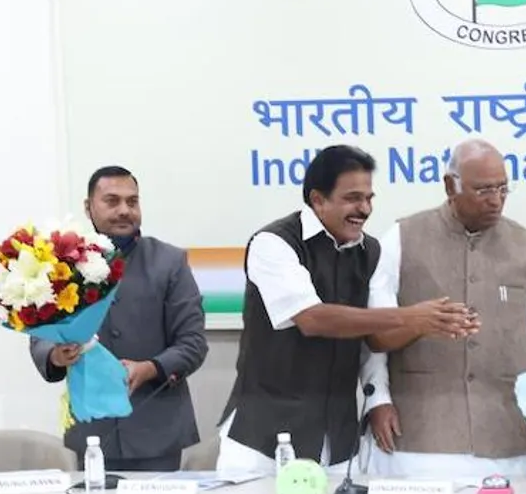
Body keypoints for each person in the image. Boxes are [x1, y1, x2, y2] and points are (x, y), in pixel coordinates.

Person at [217, 145, 474, 475]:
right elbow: (312, 318)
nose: (364, 209)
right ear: (318, 199)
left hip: (336, 443)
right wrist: (410, 316)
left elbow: (378, 339)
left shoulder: (370, 250)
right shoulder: (274, 243)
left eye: (369, 198)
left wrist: (429, 324)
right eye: (353, 198)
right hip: (263, 442)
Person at [361, 139, 526, 479]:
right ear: (450, 185)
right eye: (484, 190)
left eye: (503, 189)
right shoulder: (400, 239)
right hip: (417, 440)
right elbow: (373, 331)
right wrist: (376, 399)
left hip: (507, 437)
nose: (496, 200)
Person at [29, 166, 209, 471]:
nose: (125, 210)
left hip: (157, 430)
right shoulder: (62, 264)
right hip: (90, 431)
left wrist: (150, 368)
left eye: (132, 201)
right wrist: (56, 356)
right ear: (89, 207)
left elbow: (192, 344)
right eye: (112, 201)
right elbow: (41, 337)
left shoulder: (170, 262)